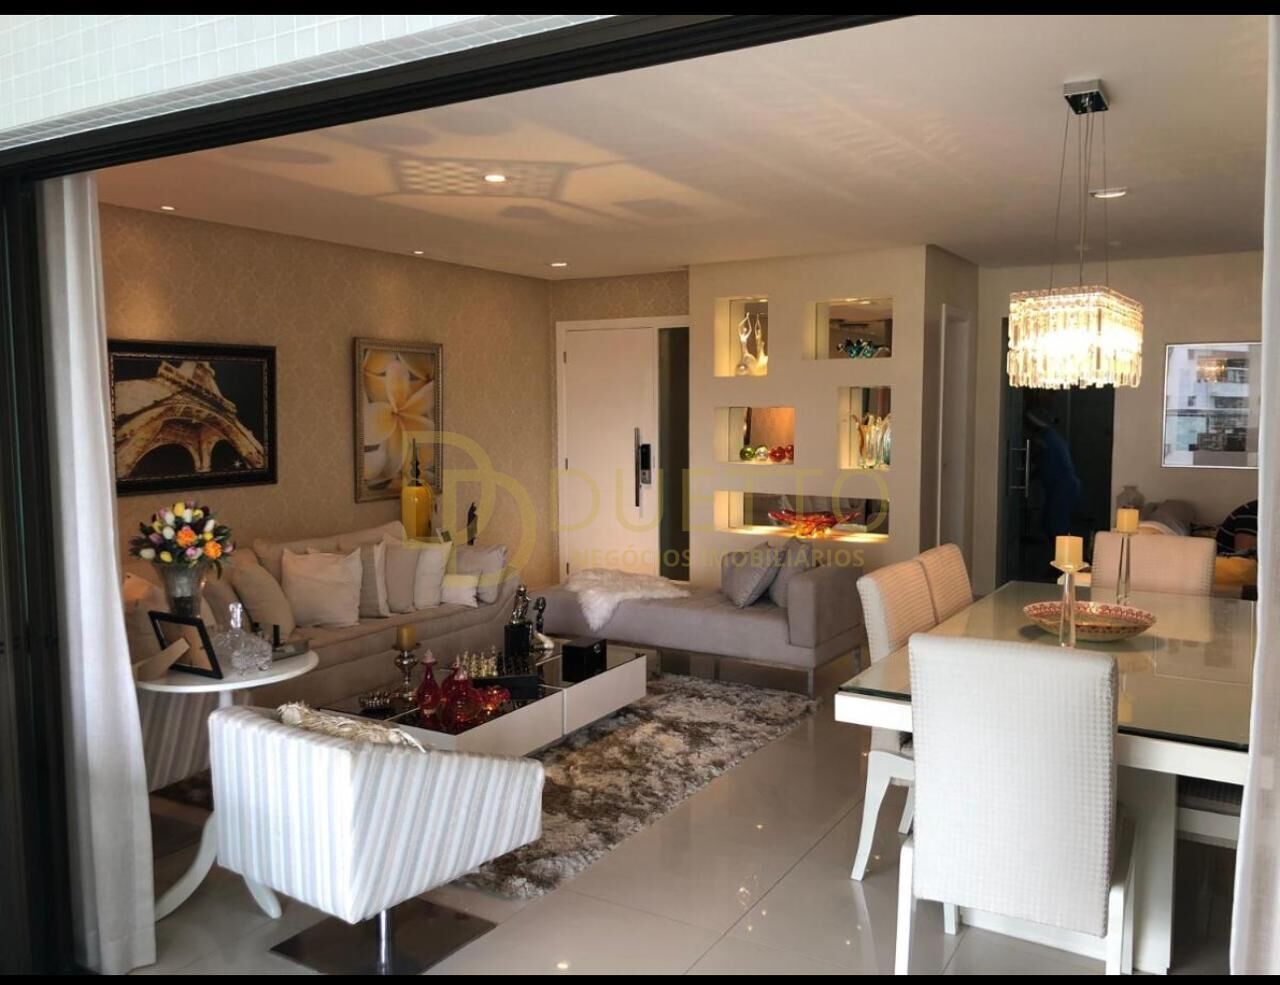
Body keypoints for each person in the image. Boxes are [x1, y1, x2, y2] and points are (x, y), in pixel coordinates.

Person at [1026, 406, 1082, 541]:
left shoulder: (1047, 440)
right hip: (1061, 487)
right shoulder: (1052, 439)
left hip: (1063, 488)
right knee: (1050, 523)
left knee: (1057, 528)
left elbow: (1045, 465)